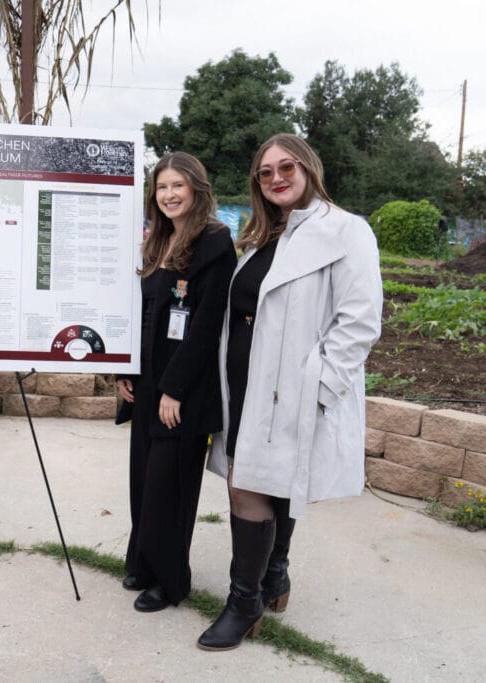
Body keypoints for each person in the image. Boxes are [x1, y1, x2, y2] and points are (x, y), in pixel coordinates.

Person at [198, 134, 382, 651]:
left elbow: (360, 322)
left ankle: (244, 603)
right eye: (265, 172)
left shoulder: (347, 231)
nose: (276, 177)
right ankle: (274, 576)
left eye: (287, 166)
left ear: (309, 169)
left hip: (293, 387)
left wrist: (318, 387)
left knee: (247, 483)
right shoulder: (262, 236)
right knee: (269, 479)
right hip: (246, 381)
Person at [115, 152, 236, 613]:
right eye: (161, 188)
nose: (168, 195)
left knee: (172, 484)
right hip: (146, 382)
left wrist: (174, 389)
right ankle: (144, 564)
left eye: (177, 186)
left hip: (182, 390)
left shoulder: (215, 243)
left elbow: (206, 326)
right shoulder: (155, 241)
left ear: (196, 189)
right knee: (143, 479)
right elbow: (139, 314)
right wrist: (125, 371)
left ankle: (171, 581)